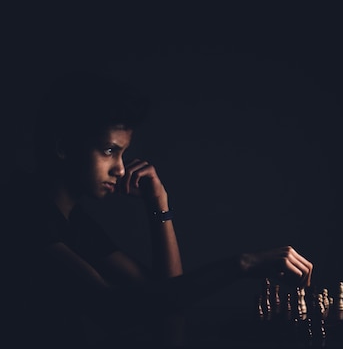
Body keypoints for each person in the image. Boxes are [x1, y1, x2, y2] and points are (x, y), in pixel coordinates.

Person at [2, 72, 313, 346]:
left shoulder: (73, 222)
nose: (121, 170)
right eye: (110, 151)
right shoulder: (20, 213)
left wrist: (159, 207)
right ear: (63, 147)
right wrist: (241, 265)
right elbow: (110, 308)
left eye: (122, 154)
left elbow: (166, 305)